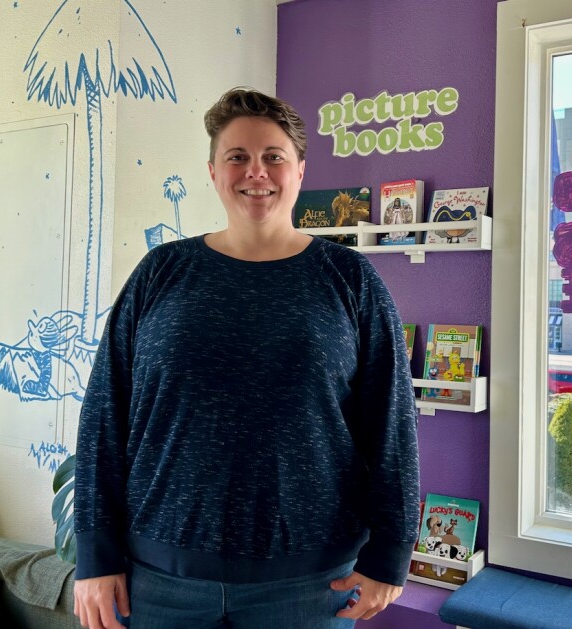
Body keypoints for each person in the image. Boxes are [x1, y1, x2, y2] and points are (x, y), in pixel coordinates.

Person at [72, 87, 420, 629]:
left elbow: (393, 425)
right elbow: (103, 416)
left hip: (310, 584)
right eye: (237, 157)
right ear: (213, 172)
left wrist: (391, 555)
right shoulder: (160, 272)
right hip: (160, 580)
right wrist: (94, 556)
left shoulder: (351, 279)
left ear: (300, 171)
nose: (255, 172)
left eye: (273, 157)